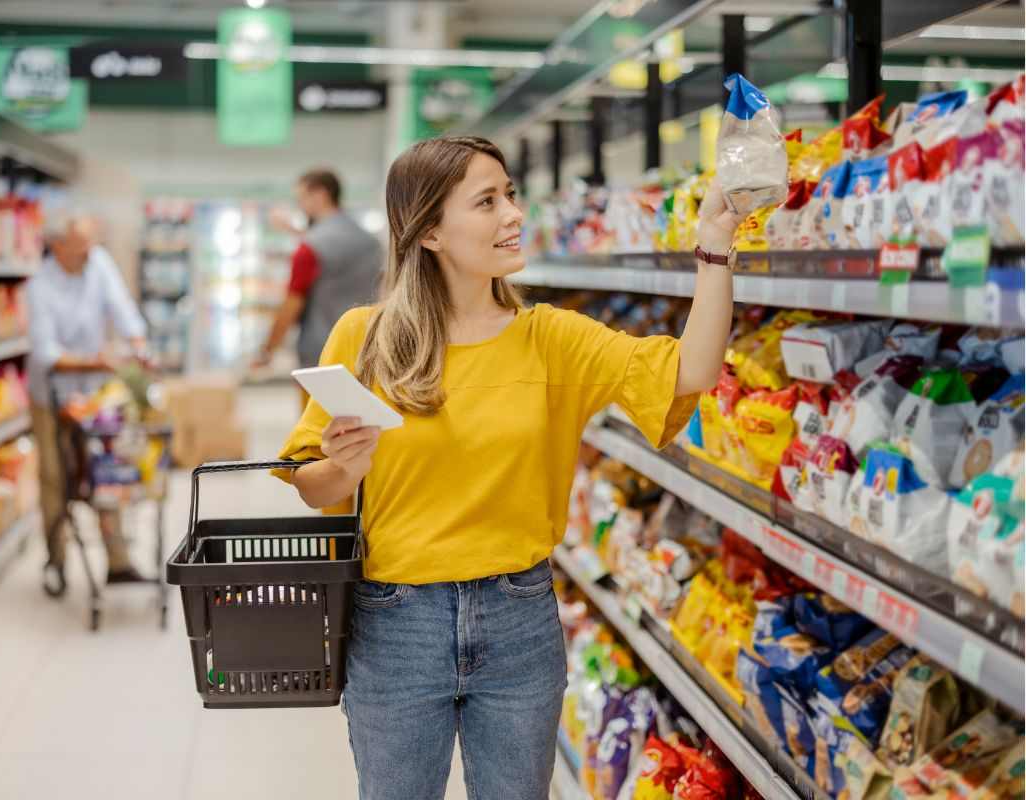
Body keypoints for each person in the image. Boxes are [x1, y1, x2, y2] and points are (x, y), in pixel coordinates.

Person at [273, 136, 743, 800]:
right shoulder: (366, 337)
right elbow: (310, 483)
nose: (513, 215)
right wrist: (344, 468)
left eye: (512, 195)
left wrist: (715, 246)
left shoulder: (552, 338)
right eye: (487, 201)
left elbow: (691, 371)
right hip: (396, 620)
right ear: (430, 231)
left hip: (518, 618)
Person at [26, 212, 151, 598]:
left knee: (106, 469)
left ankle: (118, 562)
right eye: (80, 246)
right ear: (58, 246)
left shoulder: (97, 264)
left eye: (90, 244)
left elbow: (122, 308)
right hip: (52, 396)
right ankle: (56, 561)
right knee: (55, 478)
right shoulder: (39, 285)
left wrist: (138, 343)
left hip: (94, 396)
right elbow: (47, 353)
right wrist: (98, 360)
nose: (89, 252)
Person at [252, 169, 383, 378]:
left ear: (320, 195)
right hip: (368, 349)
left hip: (321, 356)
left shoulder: (309, 249)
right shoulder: (371, 243)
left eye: (301, 198)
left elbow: (292, 304)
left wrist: (267, 351)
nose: (300, 205)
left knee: (318, 411)